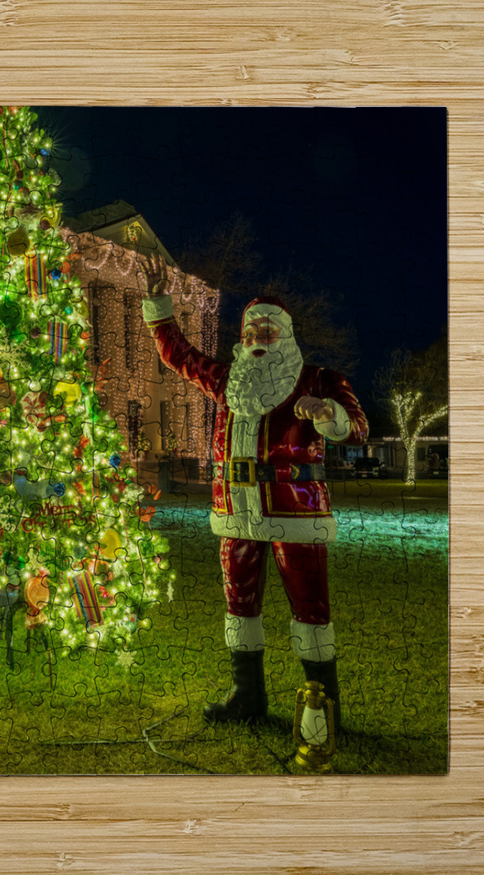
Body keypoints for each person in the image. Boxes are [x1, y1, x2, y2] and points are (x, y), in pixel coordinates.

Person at [140, 256, 368, 728]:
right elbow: (180, 356)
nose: (256, 342)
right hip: (236, 513)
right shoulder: (228, 381)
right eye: (249, 334)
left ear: (284, 335)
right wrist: (160, 309)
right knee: (239, 605)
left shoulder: (319, 380)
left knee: (310, 608)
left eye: (265, 333)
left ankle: (321, 707)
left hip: (296, 515)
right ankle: (248, 697)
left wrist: (326, 414)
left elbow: (358, 429)